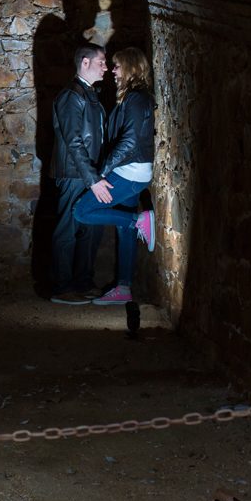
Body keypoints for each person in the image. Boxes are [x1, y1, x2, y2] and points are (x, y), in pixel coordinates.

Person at [71, 46, 155, 306]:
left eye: (117, 66)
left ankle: (139, 219)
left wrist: (101, 173)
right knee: (124, 228)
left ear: (130, 67)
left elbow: (129, 141)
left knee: (81, 211)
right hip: (131, 170)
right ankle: (124, 289)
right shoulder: (131, 97)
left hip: (129, 172)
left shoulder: (137, 97)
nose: (113, 70)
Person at [48, 43, 107, 304]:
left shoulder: (88, 94)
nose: (106, 67)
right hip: (74, 174)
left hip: (87, 173)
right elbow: (73, 141)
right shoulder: (72, 95)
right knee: (68, 230)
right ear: (85, 62)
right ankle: (62, 288)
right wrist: (92, 179)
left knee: (90, 229)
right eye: (101, 62)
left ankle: (83, 282)